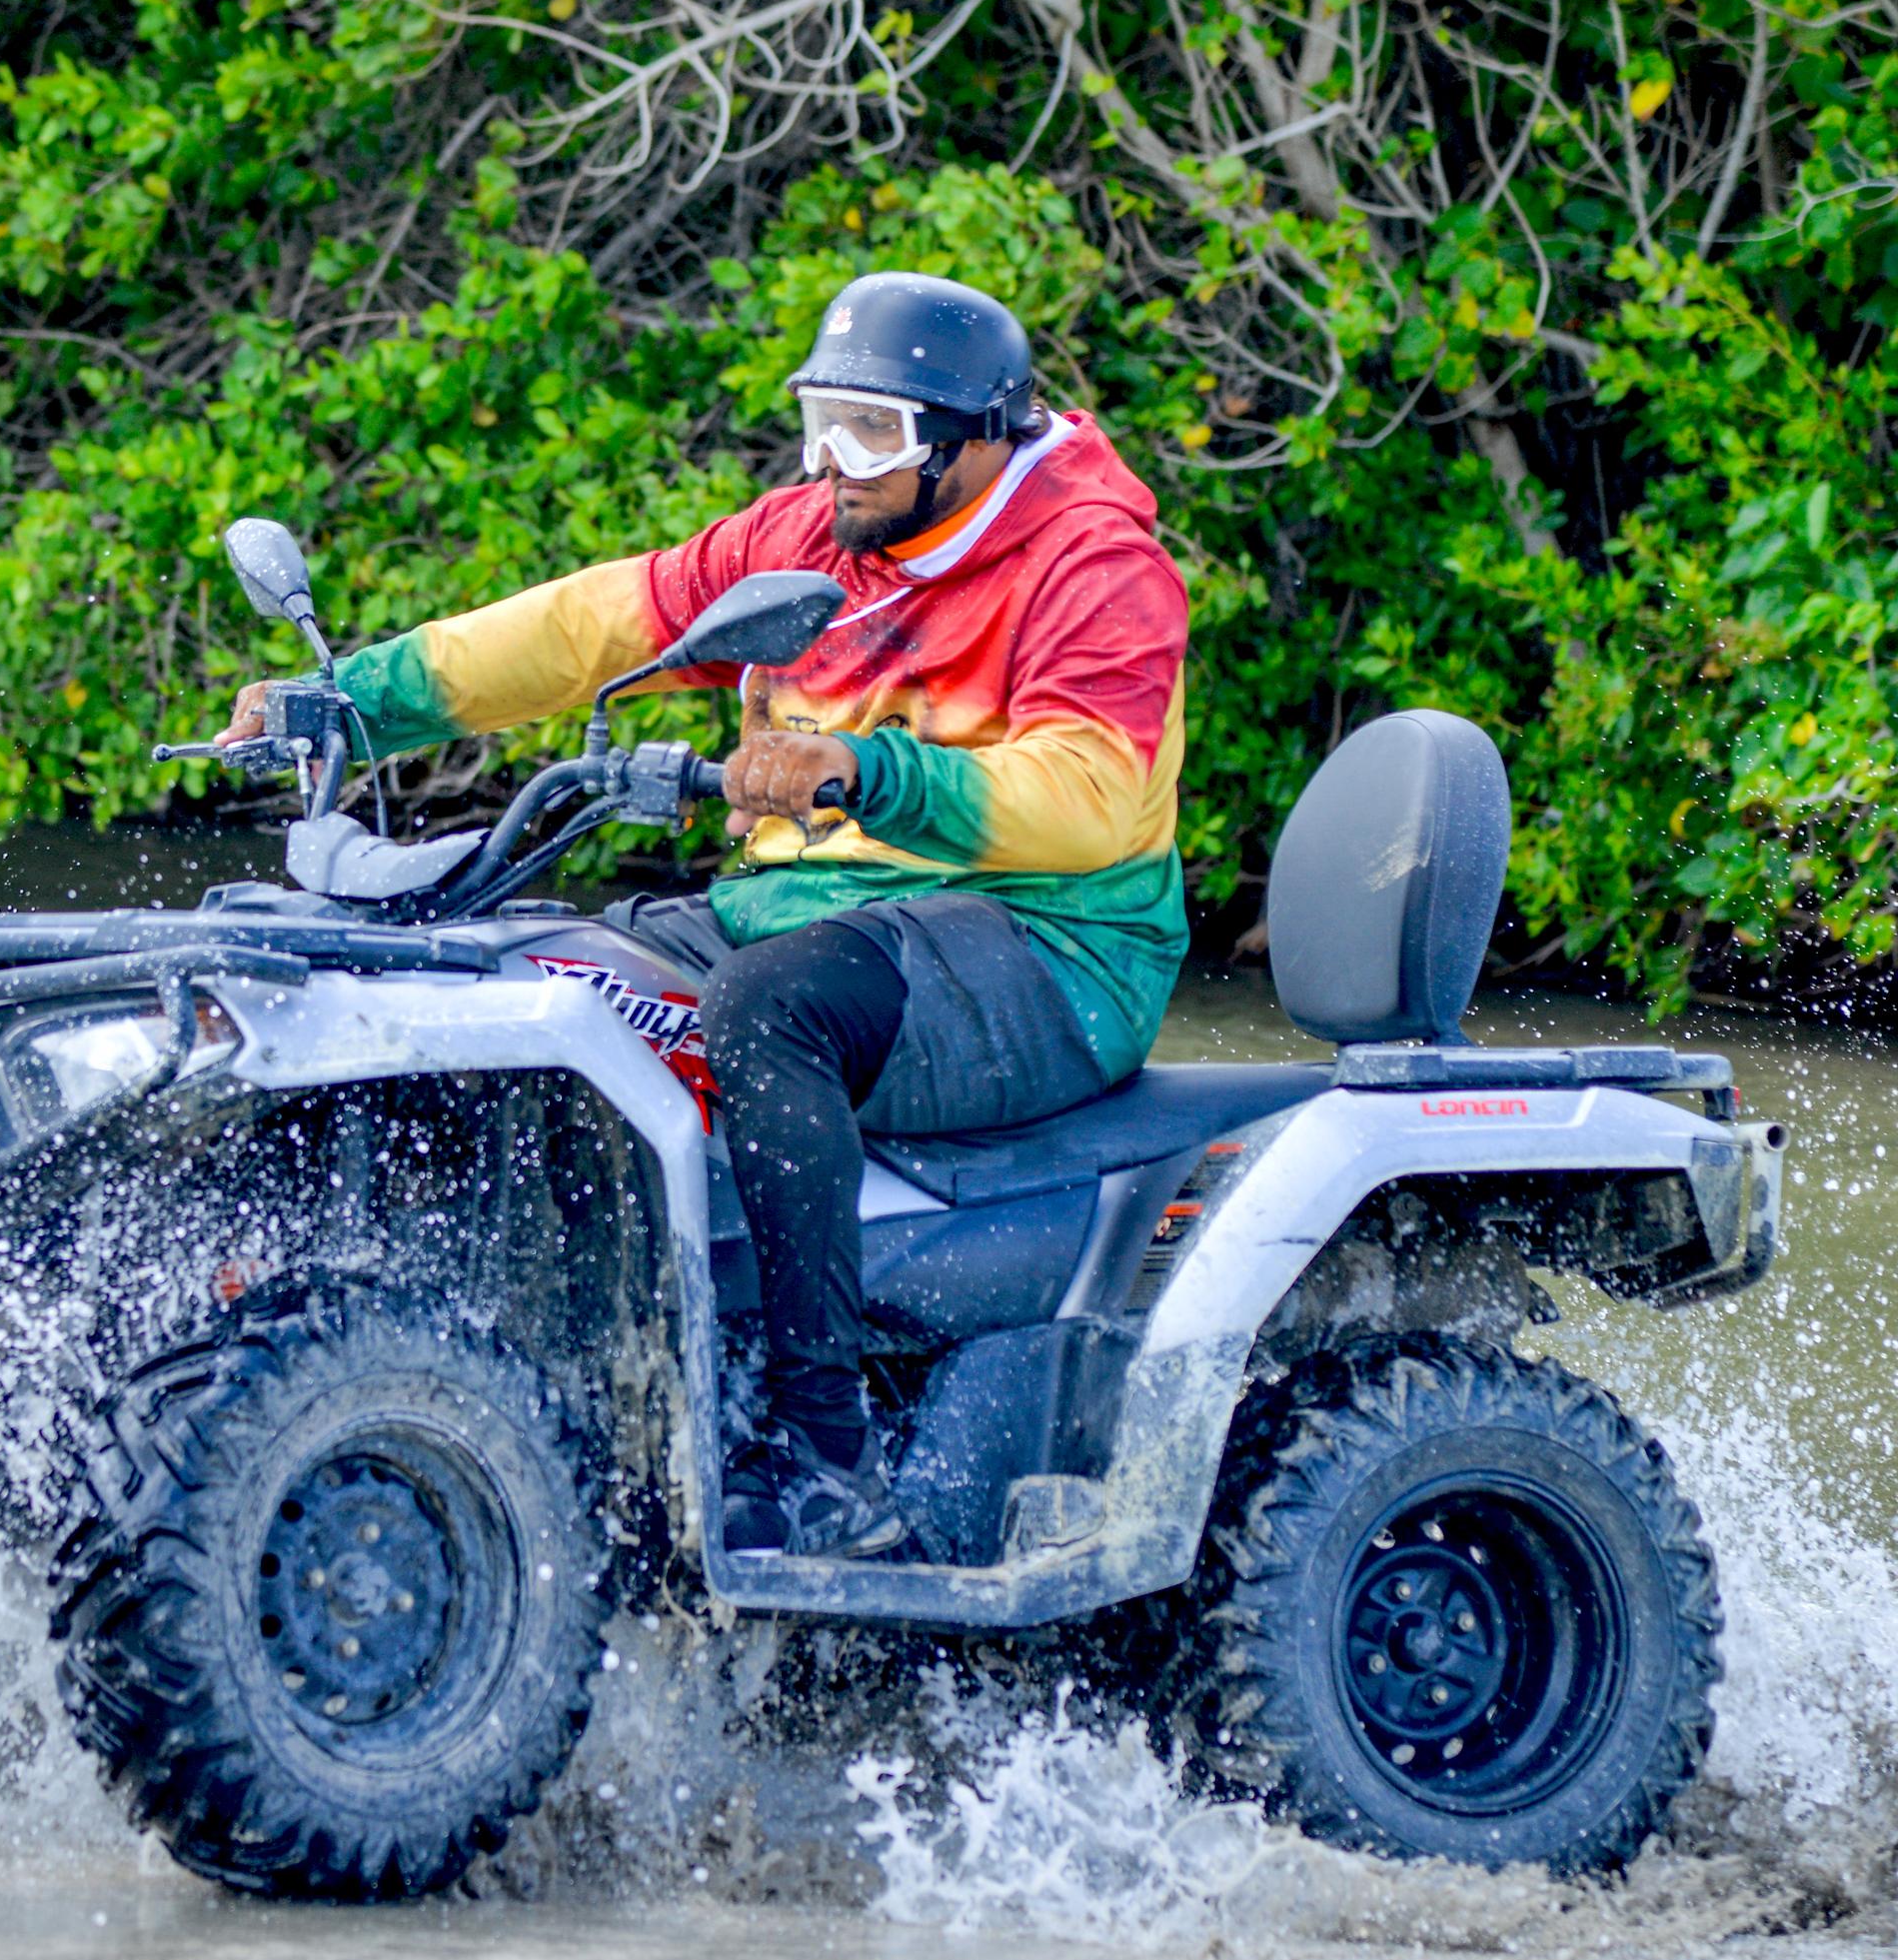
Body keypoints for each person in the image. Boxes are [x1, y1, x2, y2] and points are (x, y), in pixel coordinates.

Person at [217, 272, 1191, 1558]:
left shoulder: (1094, 564)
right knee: (538, 983)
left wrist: (861, 768)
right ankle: (544, 1396)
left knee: (763, 1011)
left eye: (871, 432)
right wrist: (349, 701)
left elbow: (1090, 797)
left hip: (1046, 945)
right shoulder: (806, 538)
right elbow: (584, 625)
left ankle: (826, 1462)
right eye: (819, 420)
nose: (833, 460)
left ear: (965, 443)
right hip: (814, 906)